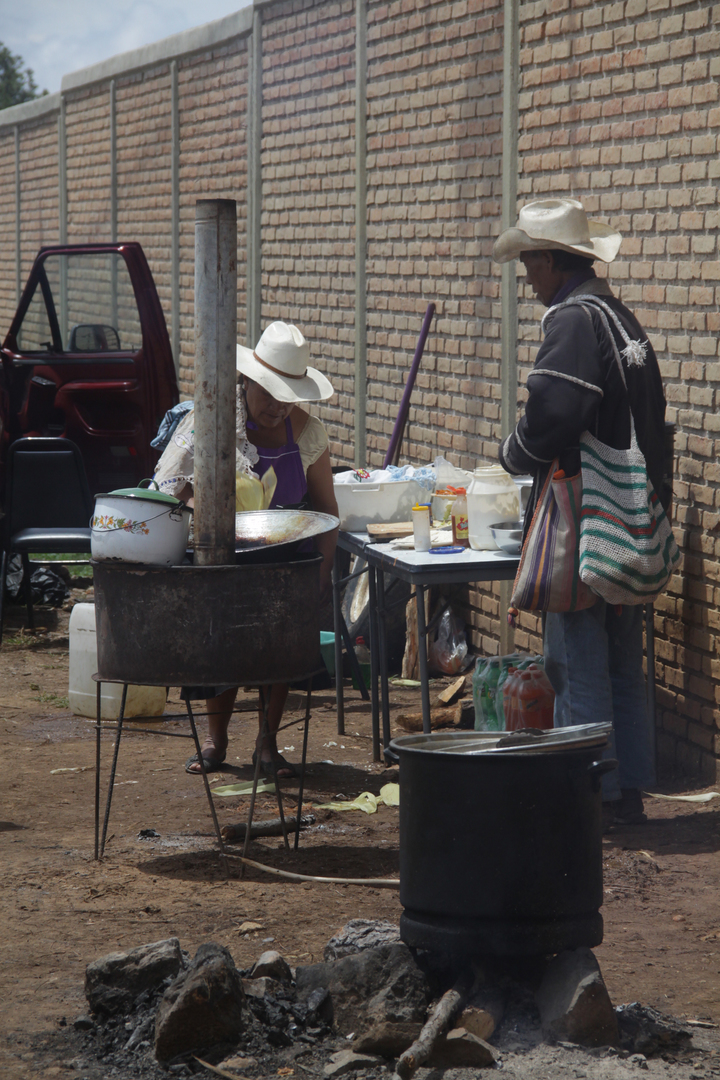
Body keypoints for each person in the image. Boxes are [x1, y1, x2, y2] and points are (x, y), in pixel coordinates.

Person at [492, 198, 668, 826]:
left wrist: (513, 450)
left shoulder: (571, 321)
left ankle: (592, 796)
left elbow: (554, 415)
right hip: (630, 518)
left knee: (576, 656)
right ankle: (630, 792)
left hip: (584, 518)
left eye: (529, 263)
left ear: (551, 261)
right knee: (622, 659)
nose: (527, 277)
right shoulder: (620, 317)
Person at [153, 320, 338, 778]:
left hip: (285, 556)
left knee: (279, 652)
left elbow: (327, 510)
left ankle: (267, 744)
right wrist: (206, 502)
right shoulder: (210, 421)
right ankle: (216, 743)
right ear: (247, 382)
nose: (277, 408)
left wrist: (321, 573)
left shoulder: (307, 433)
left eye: (287, 397)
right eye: (269, 394)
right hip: (223, 552)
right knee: (222, 647)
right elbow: (167, 486)